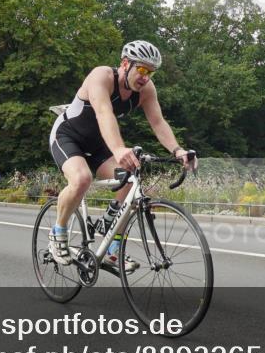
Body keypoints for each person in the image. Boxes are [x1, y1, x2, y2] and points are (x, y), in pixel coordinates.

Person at [48, 40, 195, 271]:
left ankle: (112, 246)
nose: (146, 77)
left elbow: (158, 122)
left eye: (151, 72)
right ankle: (58, 232)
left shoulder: (146, 90)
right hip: (68, 137)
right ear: (125, 64)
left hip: (99, 145)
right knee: (81, 179)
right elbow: (104, 113)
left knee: (129, 177)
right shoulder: (101, 76)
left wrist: (177, 150)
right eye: (142, 69)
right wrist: (118, 149)